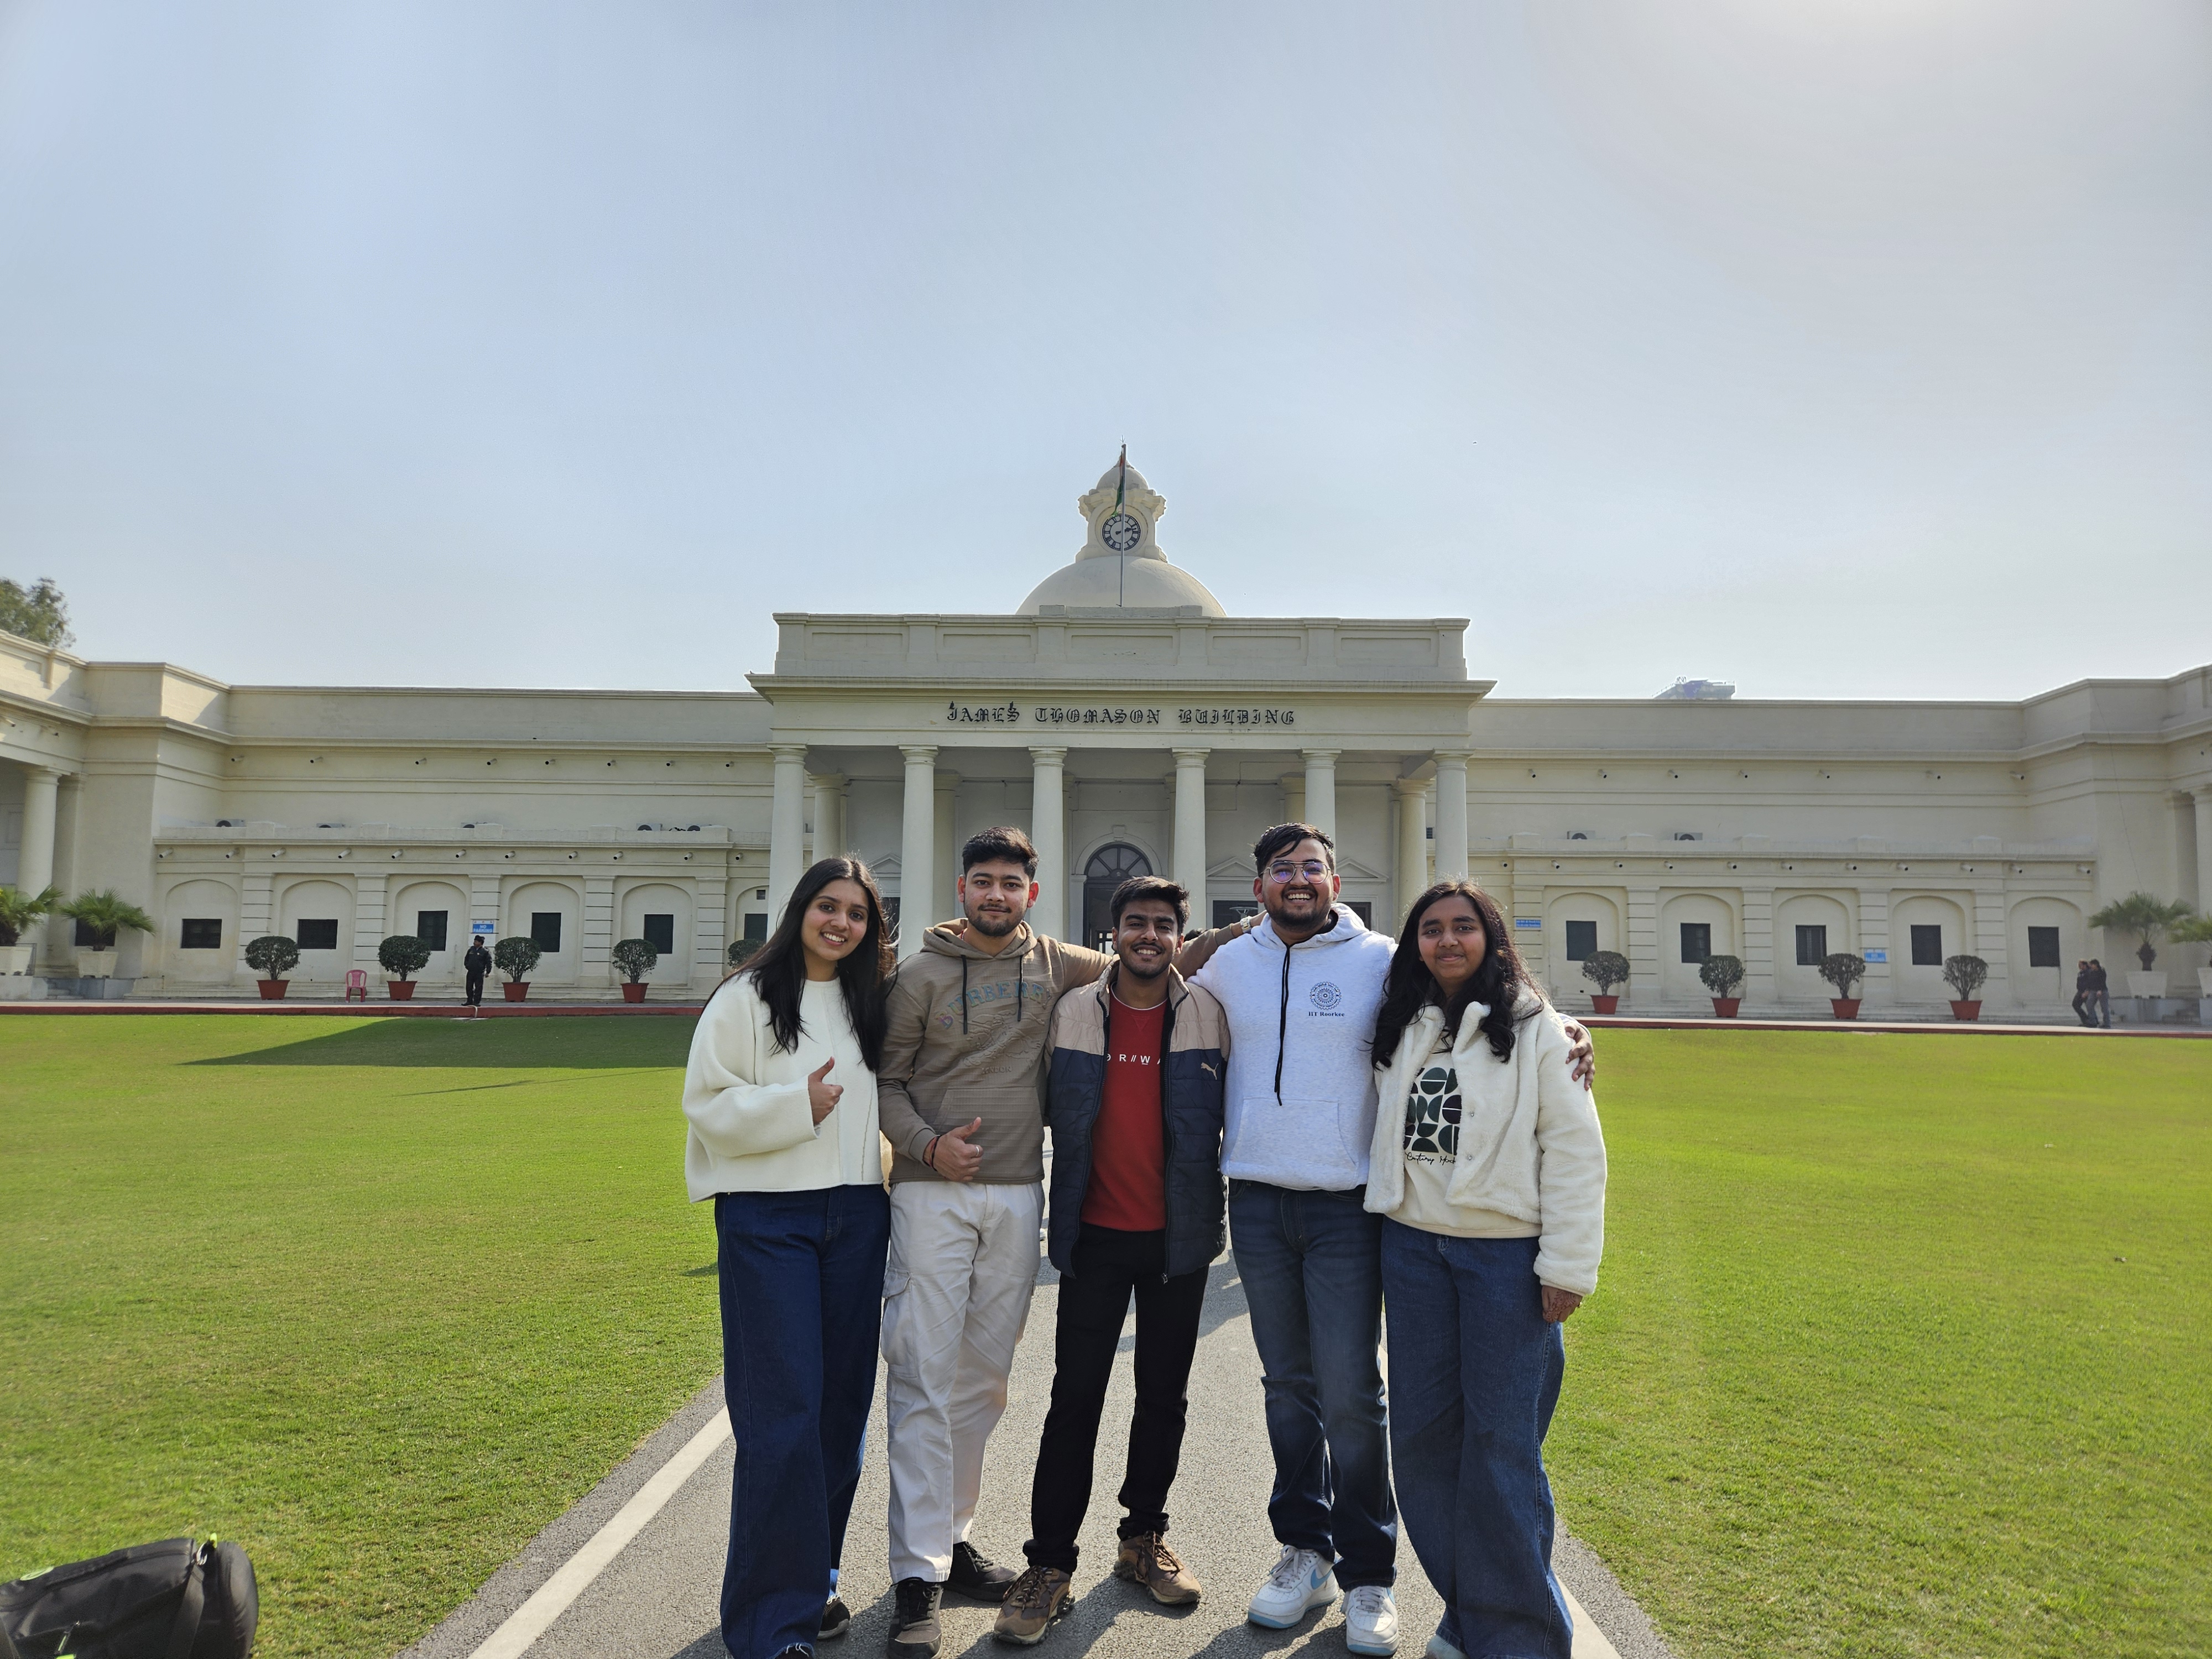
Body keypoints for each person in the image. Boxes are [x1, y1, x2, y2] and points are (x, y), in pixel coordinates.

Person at [1189, 824, 1594, 1656]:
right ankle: (1305, 1549)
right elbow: (1139, 966)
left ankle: (1370, 1574)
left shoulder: (1381, 959)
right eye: (1280, 870)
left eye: (1311, 868)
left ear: (1336, 879)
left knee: (1353, 1395)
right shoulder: (1233, 962)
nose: (1297, 881)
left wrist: (1568, 1027)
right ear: (1259, 884)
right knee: (1290, 1389)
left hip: (1355, 1211)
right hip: (1267, 1201)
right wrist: (1216, 932)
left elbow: (1511, 1027)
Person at [873, 828, 1246, 1657]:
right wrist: (928, 1145)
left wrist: (1269, 918)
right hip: (1039, 1217)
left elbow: (1228, 957)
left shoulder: (1186, 1004)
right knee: (1022, 1393)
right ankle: (992, 1568)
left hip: (1136, 1226)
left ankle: (1126, 1538)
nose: (997, 894)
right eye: (984, 881)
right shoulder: (1043, 993)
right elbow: (883, 1072)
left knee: (1100, 1393)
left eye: (1012, 882)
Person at [1364, 881, 1606, 1659]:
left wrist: (1565, 1264)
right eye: (1431, 930)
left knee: (1502, 1449)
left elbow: (1574, 1152)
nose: (1447, 941)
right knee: (1426, 1446)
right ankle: (1472, 1614)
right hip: (1413, 1252)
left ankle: (1522, 1639)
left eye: (1463, 928)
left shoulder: (1542, 1032)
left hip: (1504, 1260)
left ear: (1492, 939)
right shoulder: (1403, 1022)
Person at [994, 875, 1229, 1644]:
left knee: (1163, 1399)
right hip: (1094, 1236)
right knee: (1075, 1403)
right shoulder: (1071, 1011)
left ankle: (1142, 1541)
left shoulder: (1210, 1014)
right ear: (1115, 932)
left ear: (1179, 936)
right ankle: (1049, 1566)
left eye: (1164, 924)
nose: (1149, 935)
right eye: (1136, 923)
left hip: (1179, 1240)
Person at [681, 856, 898, 1659]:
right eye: (826, 906)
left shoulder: (868, 999)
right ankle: (772, 1628)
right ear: (800, 909)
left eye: (856, 913)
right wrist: (794, 1107)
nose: (840, 923)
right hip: (768, 1220)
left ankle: (819, 1580)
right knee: (782, 1418)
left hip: (857, 1212)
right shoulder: (745, 997)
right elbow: (705, 1103)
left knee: (840, 1414)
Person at [463, 936, 492, 1006]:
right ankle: (469, 1000)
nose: (474, 943)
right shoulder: (471, 950)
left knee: (478, 987)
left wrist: (488, 971)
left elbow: (489, 962)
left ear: (480, 943)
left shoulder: (485, 952)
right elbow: (466, 959)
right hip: (471, 972)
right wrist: (467, 966)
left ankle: (476, 1002)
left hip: (479, 972)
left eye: (476, 942)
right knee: (469, 987)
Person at [2088, 959, 2113, 1027]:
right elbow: (2090, 982)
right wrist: (2088, 990)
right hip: (2093, 990)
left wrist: (2100, 990)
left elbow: (2103, 981)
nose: (2091, 967)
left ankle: (2107, 1024)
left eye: (2092, 965)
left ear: (2096, 965)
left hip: (2102, 991)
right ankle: (2093, 1022)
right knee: (2089, 1005)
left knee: (2104, 1008)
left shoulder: (2101, 971)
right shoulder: (2091, 972)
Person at [2072, 961, 2094, 1027]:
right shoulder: (2081, 973)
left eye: (2080, 965)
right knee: (2075, 1005)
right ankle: (2085, 1020)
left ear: (2085, 965)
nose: (2079, 967)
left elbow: (2091, 982)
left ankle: (2092, 1021)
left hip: (2086, 991)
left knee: (2089, 1006)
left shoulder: (2089, 972)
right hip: (2080, 991)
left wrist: (2087, 991)